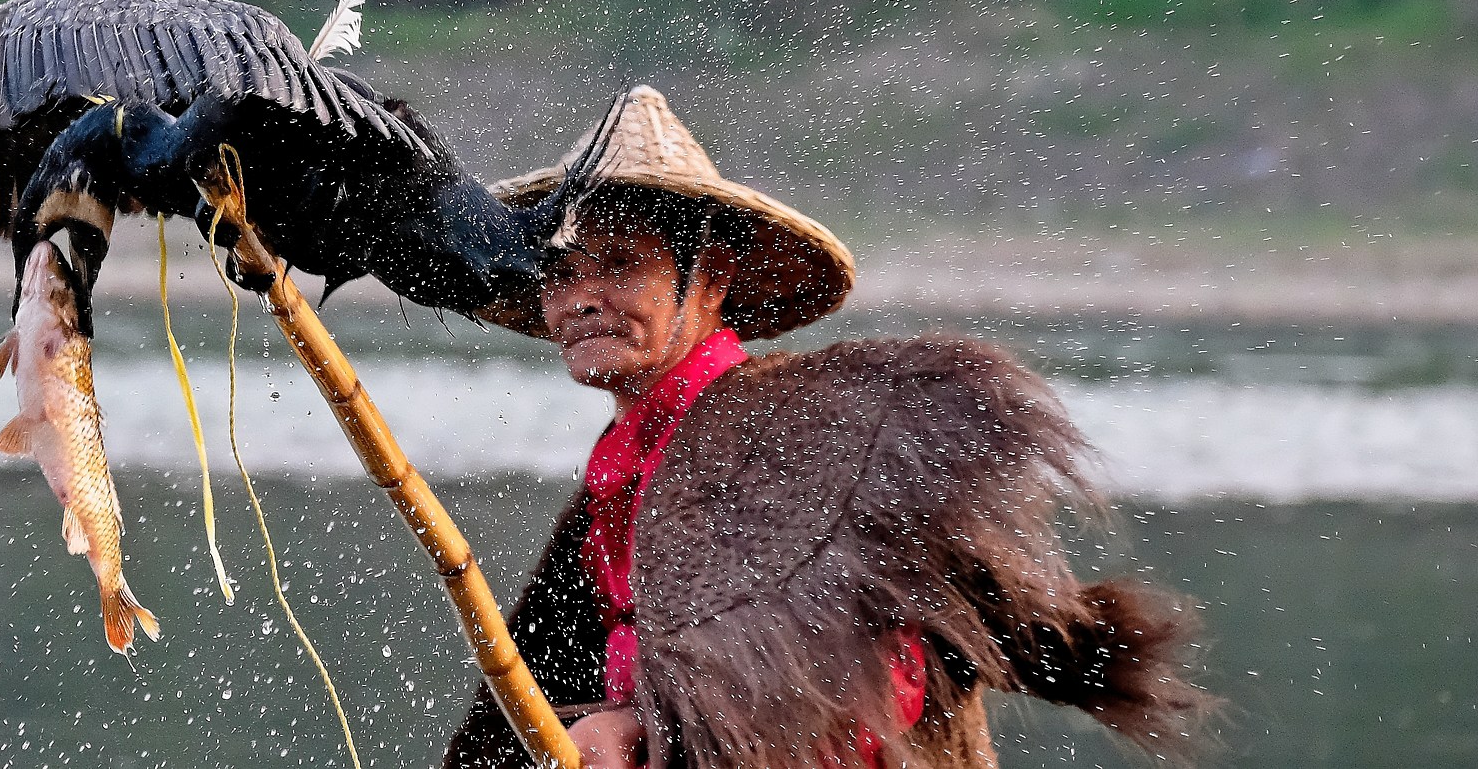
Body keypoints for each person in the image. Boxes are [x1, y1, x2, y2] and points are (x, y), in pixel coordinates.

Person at [446, 87, 1207, 769]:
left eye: (617, 264)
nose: (582, 297)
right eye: (562, 271)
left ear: (708, 278)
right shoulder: (627, 466)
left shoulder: (794, 429)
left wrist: (642, 721)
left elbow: (834, 681)